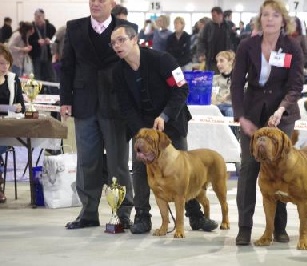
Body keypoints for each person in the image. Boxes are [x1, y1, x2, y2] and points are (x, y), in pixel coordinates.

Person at [110, 24, 219, 234]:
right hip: (142, 129)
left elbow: (181, 89)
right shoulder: (118, 71)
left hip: (172, 123)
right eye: (113, 42)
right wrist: (142, 132)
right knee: (141, 170)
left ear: (134, 40)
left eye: (121, 40)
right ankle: (142, 216)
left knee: (184, 171)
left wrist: (165, 116)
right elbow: (125, 105)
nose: (117, 45)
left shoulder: (162, 60)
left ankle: (195, 216)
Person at [231, 0, 304, 246]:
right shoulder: (246, 46)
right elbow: (236, 83)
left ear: (283, 20)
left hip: (282, 115)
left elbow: (296, 86)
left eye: (275, 15)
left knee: (280, 170)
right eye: (265, 15)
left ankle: (279, 228)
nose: (270, 19)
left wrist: (281, 109)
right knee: (249, 168)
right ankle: (244, 227)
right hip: (251, 114)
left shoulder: (292, 45)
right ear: (259, 19)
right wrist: (241, 117)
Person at [60, 0, 133, 230]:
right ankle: (88, 212)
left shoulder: (126, 29)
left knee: (118, 162)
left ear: (113, 3)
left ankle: (123, 213)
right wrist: (65, 100)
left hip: (115, 105)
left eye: (101, 0)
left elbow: (132, 64)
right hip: (84, 104)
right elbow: (67, 66)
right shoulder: (74, 27)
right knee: (87, 161)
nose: (95, 3)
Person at [0, 44, 25, 203]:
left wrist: (17, 107)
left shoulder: (13, 79)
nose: (4, 66)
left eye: (6, 63)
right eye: (1, 63)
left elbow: (21, 105)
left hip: (8, 127)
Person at [197, 7, 233, 73]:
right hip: (212, 60)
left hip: (225, 59)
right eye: (212, 15)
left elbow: (232, 40)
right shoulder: (208, 26)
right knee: (213, 79)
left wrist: (232, 51)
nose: (213, 17)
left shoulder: (228, 26)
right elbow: (202, 41)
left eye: (214, 15)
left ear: (221, 15)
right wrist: (201, 53)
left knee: (225, 78)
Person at [28, 8, 56, 82]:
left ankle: (52, 92)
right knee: (37, 75)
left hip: (47, 55)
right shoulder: (31, 28)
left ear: (43, 16)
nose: (37, 18)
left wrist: (49, 40)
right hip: (36, 55)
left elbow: (54, 39)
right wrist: (37, 41)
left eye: (39, 16)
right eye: (36, 16)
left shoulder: (50, 27)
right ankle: (39, 91)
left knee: (50, 75)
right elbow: (29, 41)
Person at [212, 50, 235, 117]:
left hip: (232, 107)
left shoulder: (240, 78)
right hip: (218, 106)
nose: (218, 64)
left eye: (221, 61)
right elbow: (213, 98)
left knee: (230, 111)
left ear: (230, 62)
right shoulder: (214, 79)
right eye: (217, 61)